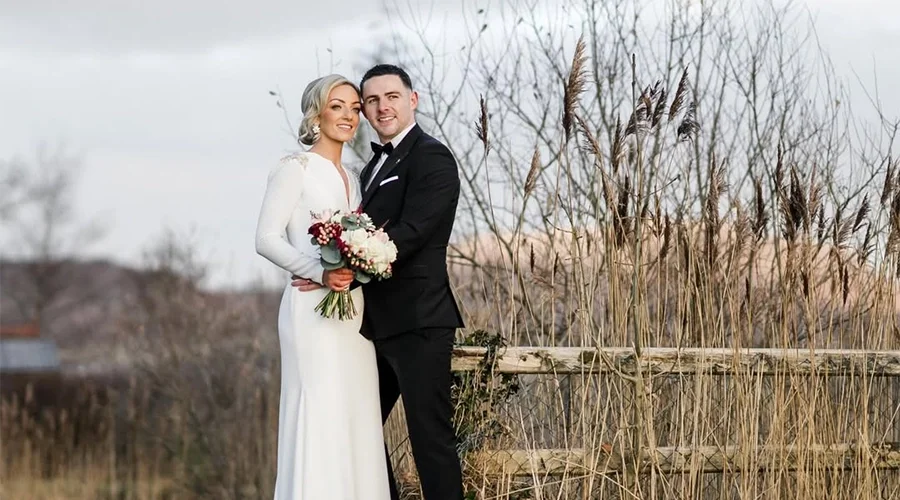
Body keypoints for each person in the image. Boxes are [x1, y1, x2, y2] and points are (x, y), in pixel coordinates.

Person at [292, 64, 465, 500]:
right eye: (371, 100)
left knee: (431, 440)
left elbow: (413, 232)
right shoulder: (368, 169)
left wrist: (344, 273)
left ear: (413, 99)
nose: (381, 106)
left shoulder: (432, 157)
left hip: (420, 322)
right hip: (371, 328)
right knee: (361, 432)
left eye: (391, 96)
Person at [255, 74, 390, 500]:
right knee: (317, 411)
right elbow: (266, 238)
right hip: (311, 311)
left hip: (353, 316)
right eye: (338, 106)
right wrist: (318, 271)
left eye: (354, 108)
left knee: (355, 414)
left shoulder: (354, 176)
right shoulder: (293, 167)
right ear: (317, 112)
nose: (349, 115)